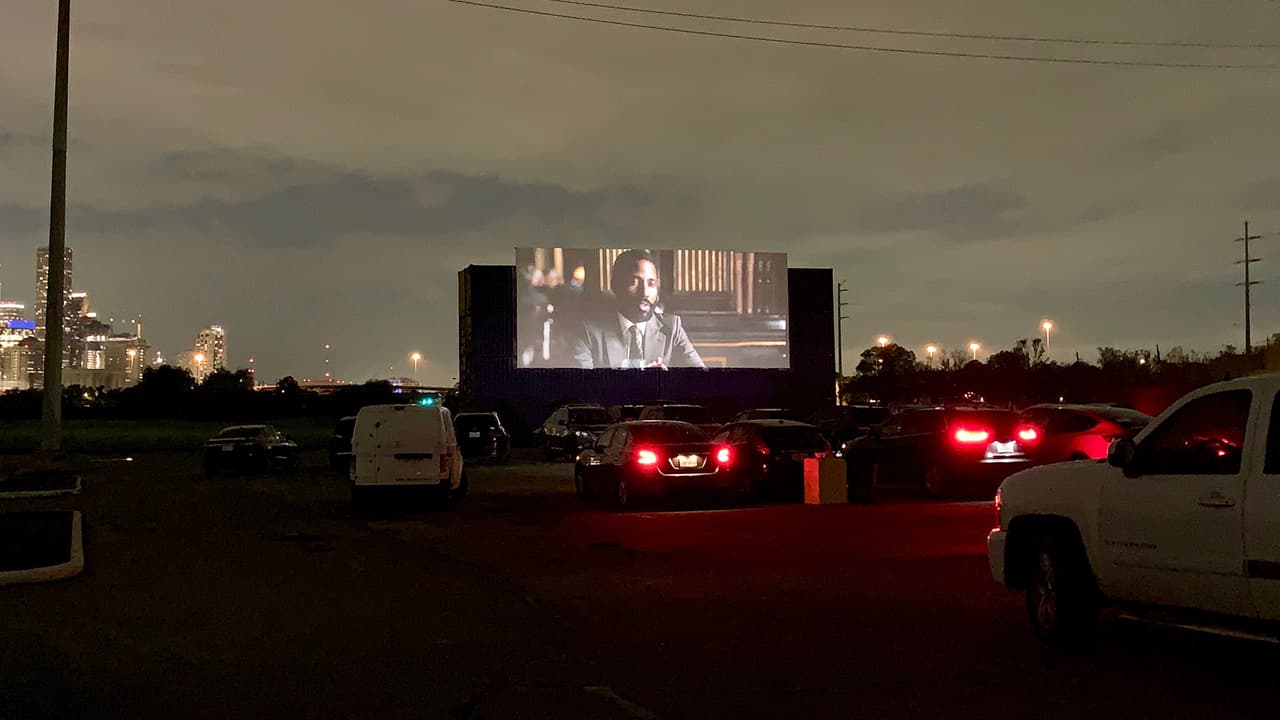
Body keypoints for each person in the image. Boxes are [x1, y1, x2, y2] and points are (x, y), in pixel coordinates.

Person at [565, 249, 705, 369]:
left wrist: (664, 383)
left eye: (651, 284)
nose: (644, 293)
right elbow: (582, 387)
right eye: (634, 282)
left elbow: (701, 380)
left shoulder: (672, 327)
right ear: (615, 285)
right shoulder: (588, 332)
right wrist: (634, 382)